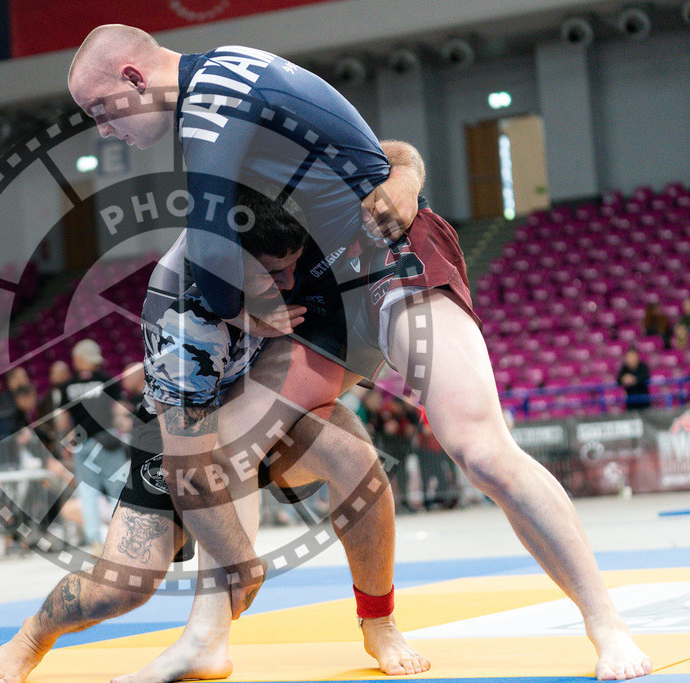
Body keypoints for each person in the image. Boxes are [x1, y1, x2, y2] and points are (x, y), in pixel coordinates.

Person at [67, 25, 650, 680]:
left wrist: (239, 300)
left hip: (388, 256)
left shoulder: (214, 93)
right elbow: (369, 151)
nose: (104, 131)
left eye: (100, 111)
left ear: (134, 78)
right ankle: (209, 635)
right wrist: (401, 168)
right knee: (219, 451)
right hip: (320, 296)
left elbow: (208, 259)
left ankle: (607, 624)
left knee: (480, 449)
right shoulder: (213, 100)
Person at [0, 185, 428, 683]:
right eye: (271, 272)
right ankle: (30, 637)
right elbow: (189, 466)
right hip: (180, 439)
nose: (288, 282)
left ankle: (379, 621)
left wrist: (406, 177)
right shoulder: (183, 319)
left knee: (354, 458)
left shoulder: (282, 222)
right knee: (122, 587)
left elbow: (381, 163)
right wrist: (243, 559)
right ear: (230, 261)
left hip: (267, 400)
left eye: (293, 266)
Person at [57, 339, 128, 548]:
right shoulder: (107, 380)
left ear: (78, 359)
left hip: (82, 443)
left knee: (88, 492)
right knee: (116, 489)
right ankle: (122, 535)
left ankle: (94, 539)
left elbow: (63, 421)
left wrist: (66, 444)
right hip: (106, 442)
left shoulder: (67, 387)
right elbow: (119, 412)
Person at [617, 348, 651, 412]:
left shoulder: (642, 366)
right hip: (630, 401)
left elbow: (645, 377)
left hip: (643, 400)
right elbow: (618, 380)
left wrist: (634, 379)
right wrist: (624, 379)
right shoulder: (624, 368)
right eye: (628, 356)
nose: (630, 358)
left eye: (632, 356)